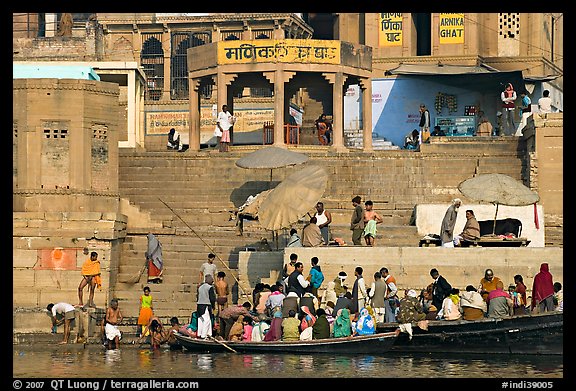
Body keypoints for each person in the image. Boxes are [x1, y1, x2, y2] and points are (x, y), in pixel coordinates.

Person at [196, 274, 216, 339]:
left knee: (201, 320)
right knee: (207, 320)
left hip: (199, 305)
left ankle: (203, 334)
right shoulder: (210, 287)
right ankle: (203, 336)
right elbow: (212, 298)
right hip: (205, 305)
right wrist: (213, 306)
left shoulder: (200, 287)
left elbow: (197, 296)